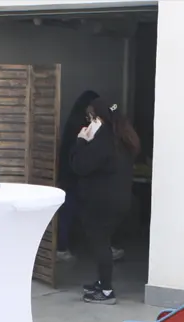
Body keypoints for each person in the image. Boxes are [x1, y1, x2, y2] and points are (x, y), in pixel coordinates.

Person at [70, 97, 140, 305]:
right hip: (119, 201)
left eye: (92, 118)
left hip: (101, 203)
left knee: (100, 243)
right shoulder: (123, 138)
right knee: (104, 242)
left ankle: (106, 290)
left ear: (99, 118)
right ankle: (102, 282)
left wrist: (81, 141)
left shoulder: (103, 141)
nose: (90, 122)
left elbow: (79, 165)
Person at [56, 89, 98, 262]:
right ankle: (61, 247)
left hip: (73, 175)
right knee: (68, 212)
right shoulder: (80, 125)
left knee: (71, 212)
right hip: (72, 176)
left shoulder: (76, 121)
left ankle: (63, 246)